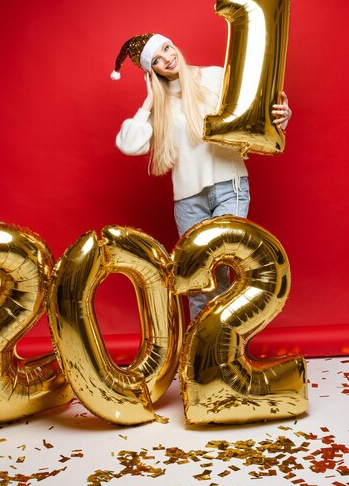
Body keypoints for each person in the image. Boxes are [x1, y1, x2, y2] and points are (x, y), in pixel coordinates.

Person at [111, 33, 292, 319]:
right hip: (188, 201)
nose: (168, 58)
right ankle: (201, 357)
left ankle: (224, 351)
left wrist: (282, 116)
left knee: (224, 270)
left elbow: (253, 114)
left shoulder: (215, 77)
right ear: (151, 71)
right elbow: (129, 144)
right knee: (198, 282)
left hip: (229, 187)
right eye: (157, 60)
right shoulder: (159, 105)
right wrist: (147, 101)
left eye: (167, 48)